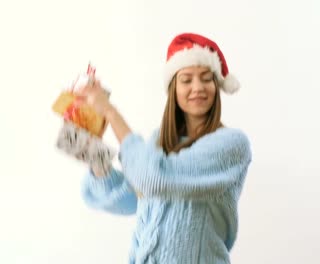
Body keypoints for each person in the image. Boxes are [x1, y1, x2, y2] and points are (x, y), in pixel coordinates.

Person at [76, 33, 252, 264]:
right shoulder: (159, 142)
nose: (197, 87)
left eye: (206, 78)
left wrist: (111, 113)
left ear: (217, 85)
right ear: (173, 90)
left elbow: (155, 178)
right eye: (187, 80)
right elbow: (128, 198)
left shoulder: (230, 145)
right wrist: (92, 147)